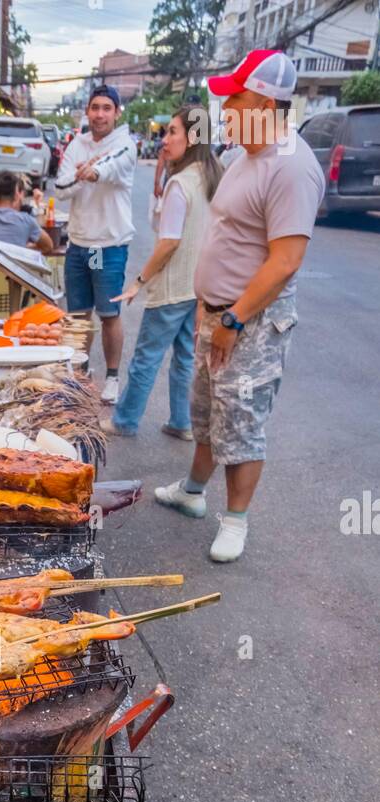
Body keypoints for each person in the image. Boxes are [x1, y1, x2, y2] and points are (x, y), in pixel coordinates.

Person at [154, 50, 324, 562]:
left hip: (250, 319)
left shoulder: (292, 167)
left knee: (241, 423)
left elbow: (287, 260)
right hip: (216, 313)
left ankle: (236, 521)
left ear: (265, 102)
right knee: (205, 412)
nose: (224, 106)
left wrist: (233, 318)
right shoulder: (241, 156)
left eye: (234, 98)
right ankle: (191, 491)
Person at [103, 107, 222, 440]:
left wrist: (139, 282)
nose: (164, 139)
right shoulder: (215, 176)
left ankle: (124, 420)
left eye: (172, 132)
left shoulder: (181, 183)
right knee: (185, 358)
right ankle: (182, 422)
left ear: (192, 137)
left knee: (146, 358)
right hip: (199, 288)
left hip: (172, 287)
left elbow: (168, 242)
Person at [55, 83, 137, 403]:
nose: (100, 114)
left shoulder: (126, 144)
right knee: (77, 316)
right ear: (87, 111)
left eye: (106, 108)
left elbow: (111, 167)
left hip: (107, 246)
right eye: (95, 108)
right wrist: (81, 175)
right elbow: (60, 188)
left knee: (108, 314)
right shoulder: (77, 143)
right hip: (78, 243)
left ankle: (113, 378)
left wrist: (92, 172)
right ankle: (80, 374)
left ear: (117, 113)